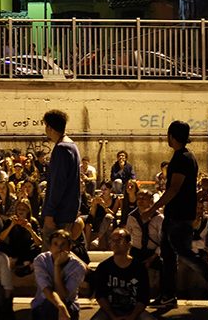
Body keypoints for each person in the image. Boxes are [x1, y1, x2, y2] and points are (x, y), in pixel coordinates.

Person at [144, 120, 208, 309]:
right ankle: (167, 295)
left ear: (172, 135)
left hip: (179, 215)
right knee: (168, 256)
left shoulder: (183, 158)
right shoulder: (183, 156)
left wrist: (151, 209)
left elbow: (173, 189)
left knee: (184, 253)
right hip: (175, 213)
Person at [91, 228, 154, 320]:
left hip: (134, 310)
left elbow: (143, 298)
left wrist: (132, 316)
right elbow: (100, 296)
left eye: (119, 239)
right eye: (113, 240)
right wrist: (113, 316)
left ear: (129, 244)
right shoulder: (103, 267)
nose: (115, 243)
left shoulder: (139, 268)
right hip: (110, 310)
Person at [40, 110, 81, 247]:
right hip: (68, 211)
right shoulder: (72, 146)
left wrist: (50, 213)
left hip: (59, 215)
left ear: (50, 127)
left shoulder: (61, 149)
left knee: (51, 257)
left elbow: (58, 184)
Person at [30, 229, 87, 320]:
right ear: (50, 247)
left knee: (58, 308)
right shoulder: (41, 260)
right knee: (49, 305)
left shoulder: (78, 266)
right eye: (55, 244)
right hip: (43, 303)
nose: (59, 248)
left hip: (68, 304)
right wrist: (60, 306)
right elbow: (46, 288)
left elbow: (63, 295)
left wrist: (57, 266)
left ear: (70, 247)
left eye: (63, 244)